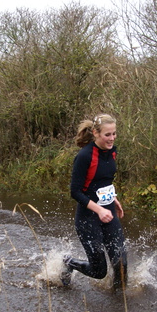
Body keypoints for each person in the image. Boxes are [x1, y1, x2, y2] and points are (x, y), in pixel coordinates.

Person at [62, 114, 128, 289]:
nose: (112, 138)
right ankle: (69, 263)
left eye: (114, 134)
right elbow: (75, 192)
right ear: (95, 133)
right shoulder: (85, 156)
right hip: (88, 218)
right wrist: (99, 210)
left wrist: (113, 198)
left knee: (121, 264)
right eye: (107, 135)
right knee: (99, 271)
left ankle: (120, 308)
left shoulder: (112, 151)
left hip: (108, 212)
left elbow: (104, 180)